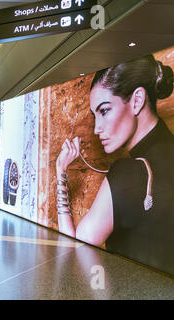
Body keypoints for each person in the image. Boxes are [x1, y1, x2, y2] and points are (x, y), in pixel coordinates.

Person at [56, 54, 173, 275]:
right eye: (94, 116)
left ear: (137, 100)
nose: (96, 128)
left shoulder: (129, 175)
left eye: (105, 110)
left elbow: (71, 256)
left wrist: (60, 171)